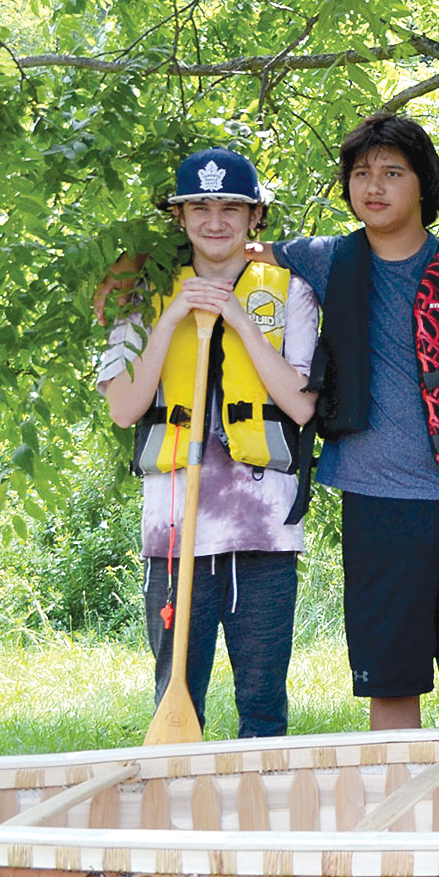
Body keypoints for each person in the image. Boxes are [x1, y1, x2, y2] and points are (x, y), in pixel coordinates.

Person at [268, 113, 439, 732]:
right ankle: (403, 819)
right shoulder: (325, 260)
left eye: (393, 172)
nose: (375, 186)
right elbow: (228, 246)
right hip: (377, 502)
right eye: (361, 173)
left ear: (423, 185)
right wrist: (132, 269)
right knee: (390, 679)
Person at [98, 149, 320, 738]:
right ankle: (178, 820)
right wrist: (171, 318)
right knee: (176, 699)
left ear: (255, 217)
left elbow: (301, 404)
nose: (214, 220)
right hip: (175, 531)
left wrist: (242, 321)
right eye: (199, 206)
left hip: (264, 530)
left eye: (230, 207)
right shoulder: (140, 293)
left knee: (264, 706)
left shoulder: (290, 291)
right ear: (179, 217)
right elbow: (124, 408)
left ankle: (260, 822)